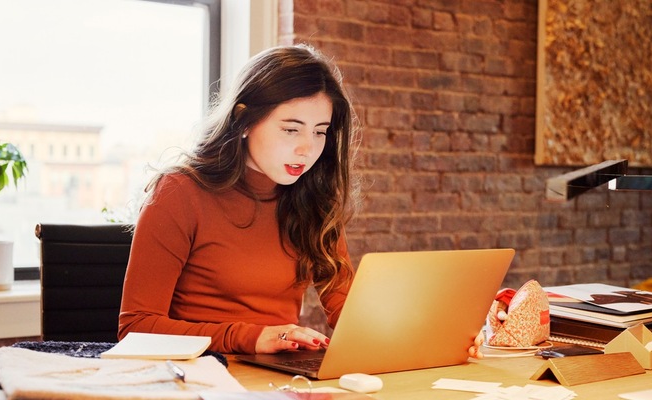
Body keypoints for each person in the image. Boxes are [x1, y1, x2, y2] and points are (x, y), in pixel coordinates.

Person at [118, 44, 485, 357]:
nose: (307, 148)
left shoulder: (313, 198)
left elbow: (347, 312)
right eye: (291, 128)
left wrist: (428, 341)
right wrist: (252, 337)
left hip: (275, 377)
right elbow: (135, 328)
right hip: (199, 375)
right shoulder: (179, 192)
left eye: (320, 132)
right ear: (244, 122)